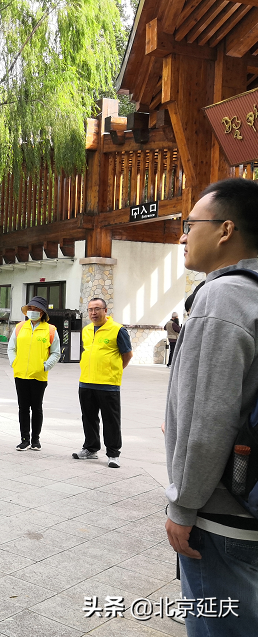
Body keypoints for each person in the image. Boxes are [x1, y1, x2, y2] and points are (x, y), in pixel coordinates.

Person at [164, 178, 258, 636]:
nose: (182, 236)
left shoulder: (222, 299)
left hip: (223, 519)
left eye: (189, 224)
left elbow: (207, 424)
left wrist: (182, 507)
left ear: (225, 230)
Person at [72, 297, 132, 468]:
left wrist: (114, 370)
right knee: (89, 418)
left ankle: (113, 454)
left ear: (105, 311)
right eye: (90, 309)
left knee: (111, 420)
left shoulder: (118, 330)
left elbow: (127, 355)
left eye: (97, 309)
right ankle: (90, 449)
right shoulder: (87, 330)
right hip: (86, 382)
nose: (93, 312)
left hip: (108, 384)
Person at [7, 296, 60, 451]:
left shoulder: (50, 330)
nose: (32, 311)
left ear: (42, 312)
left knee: (36, 407)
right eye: (30, 308)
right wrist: (14, 362)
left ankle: (35, 440)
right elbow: (11, 348)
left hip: (38, 375)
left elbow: (56, 352)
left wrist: (45, 366)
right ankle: (24, 439)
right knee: (23, 407)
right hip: (20, 374)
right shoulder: (19, 328)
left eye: (36, 309)